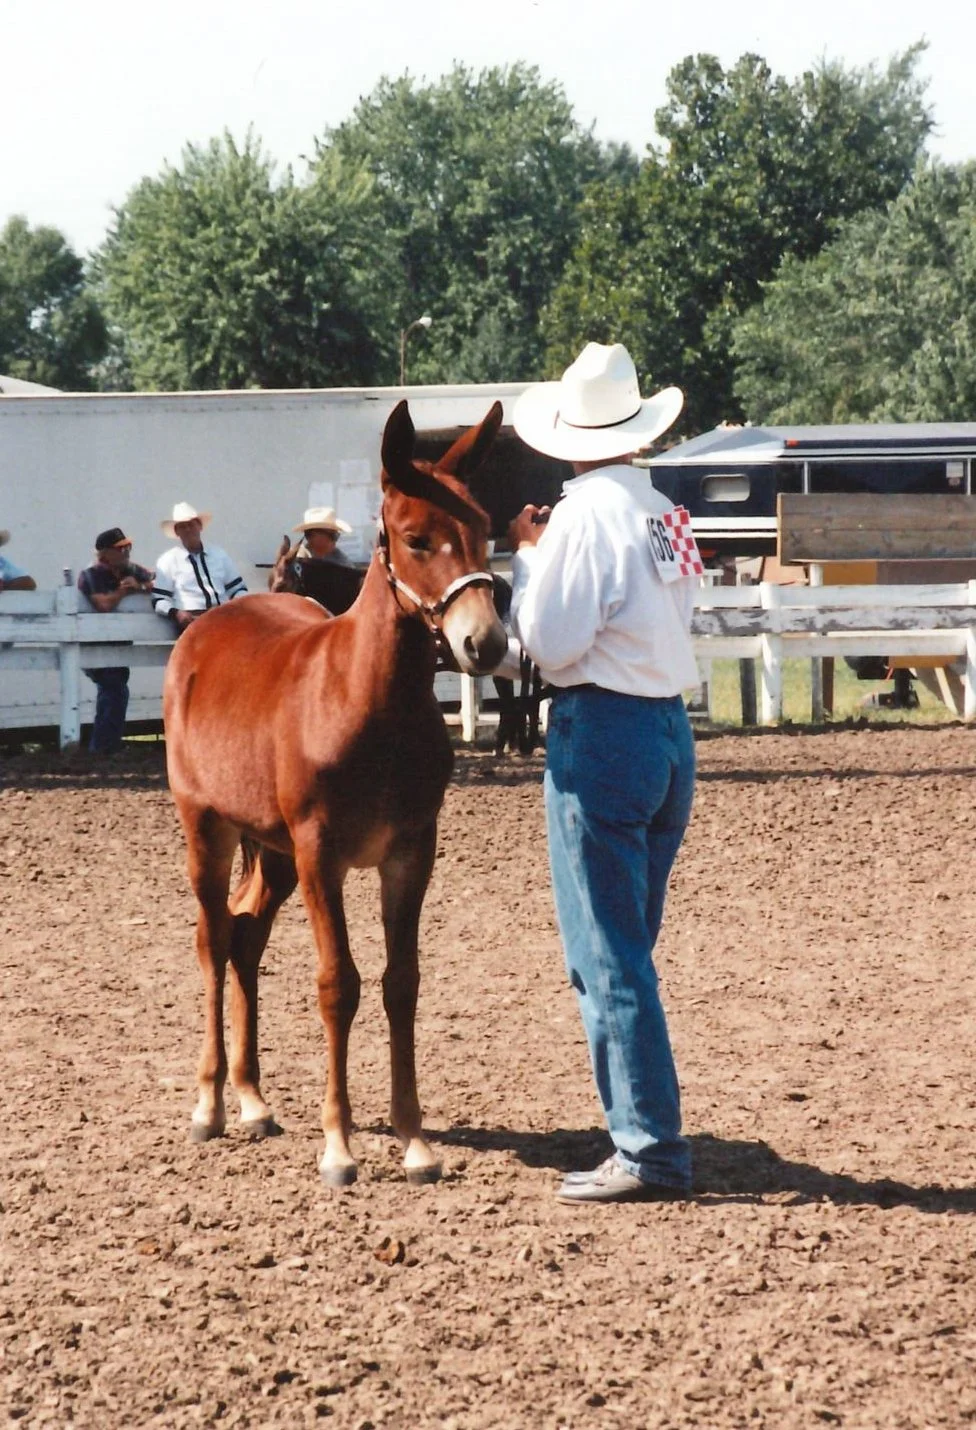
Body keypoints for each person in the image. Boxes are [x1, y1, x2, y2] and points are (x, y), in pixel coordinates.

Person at [508, 341, 700, 1205]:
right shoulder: (665, 508)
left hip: (606, 731)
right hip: (666, 731)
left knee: (607, 953)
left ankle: (648, 1146)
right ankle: (641, 1126)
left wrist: (528, 561)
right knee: (628, 947)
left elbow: (548, 644)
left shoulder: (580, 513)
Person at [77, 527, 154, 755]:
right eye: (121, 548)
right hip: (94, 645)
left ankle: (103, 746)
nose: (127, 551)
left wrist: (139, 586)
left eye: (127, 547)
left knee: (114, 689)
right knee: (114, 689)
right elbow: (103, 604)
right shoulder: (90, 575)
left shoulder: (131, 570)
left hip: (118, 645)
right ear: (105, 552)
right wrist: (125, 591)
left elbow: (156, 581)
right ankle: (103, 747)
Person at [152, 502, 248, 630]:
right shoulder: (168, 561)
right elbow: (159, 600)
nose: (188, 530)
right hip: (191, 621)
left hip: (223, 617)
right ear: (176, 532)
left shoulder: (219, 555)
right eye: (182, 526)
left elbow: (238, 589)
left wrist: (236, 605)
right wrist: (177, 613)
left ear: (199, 526)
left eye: (191, 524)